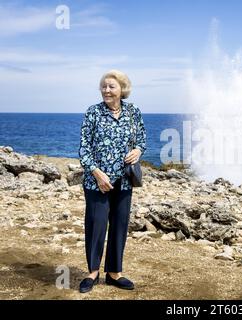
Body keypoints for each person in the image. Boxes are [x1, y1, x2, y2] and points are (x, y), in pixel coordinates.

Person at [78, 70, 146, 293]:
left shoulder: (133, 111)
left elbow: (142, 140)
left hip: (125, 181)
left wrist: (137, 150)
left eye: (111, 87)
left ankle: (114, 273)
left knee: (120, 225)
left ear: (122, 90)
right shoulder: (93, 113)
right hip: (97, 181)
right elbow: (84, 149)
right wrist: (97, 173)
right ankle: (92, 273)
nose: (107, 90)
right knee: (96, 225)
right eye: (104, 86)